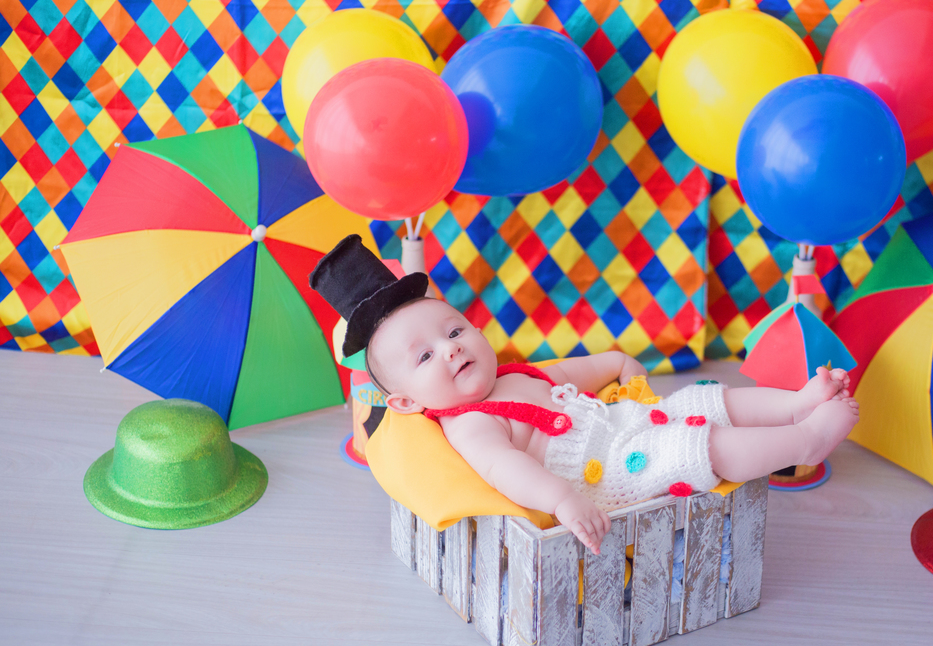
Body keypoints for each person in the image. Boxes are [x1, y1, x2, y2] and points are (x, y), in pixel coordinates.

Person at [311, 235, 858, 554]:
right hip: (606, 472)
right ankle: (802, 442)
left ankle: (795, 402)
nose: (450, 349)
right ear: (406, 401)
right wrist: (561, 500)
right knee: (703, 448)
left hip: (623, 422)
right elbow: (506, 470)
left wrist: (614, 363)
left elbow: (574, 372)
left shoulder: (515, 375)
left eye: (454, 331)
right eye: (425, 357)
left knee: (702, 398)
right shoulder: (468, 423)